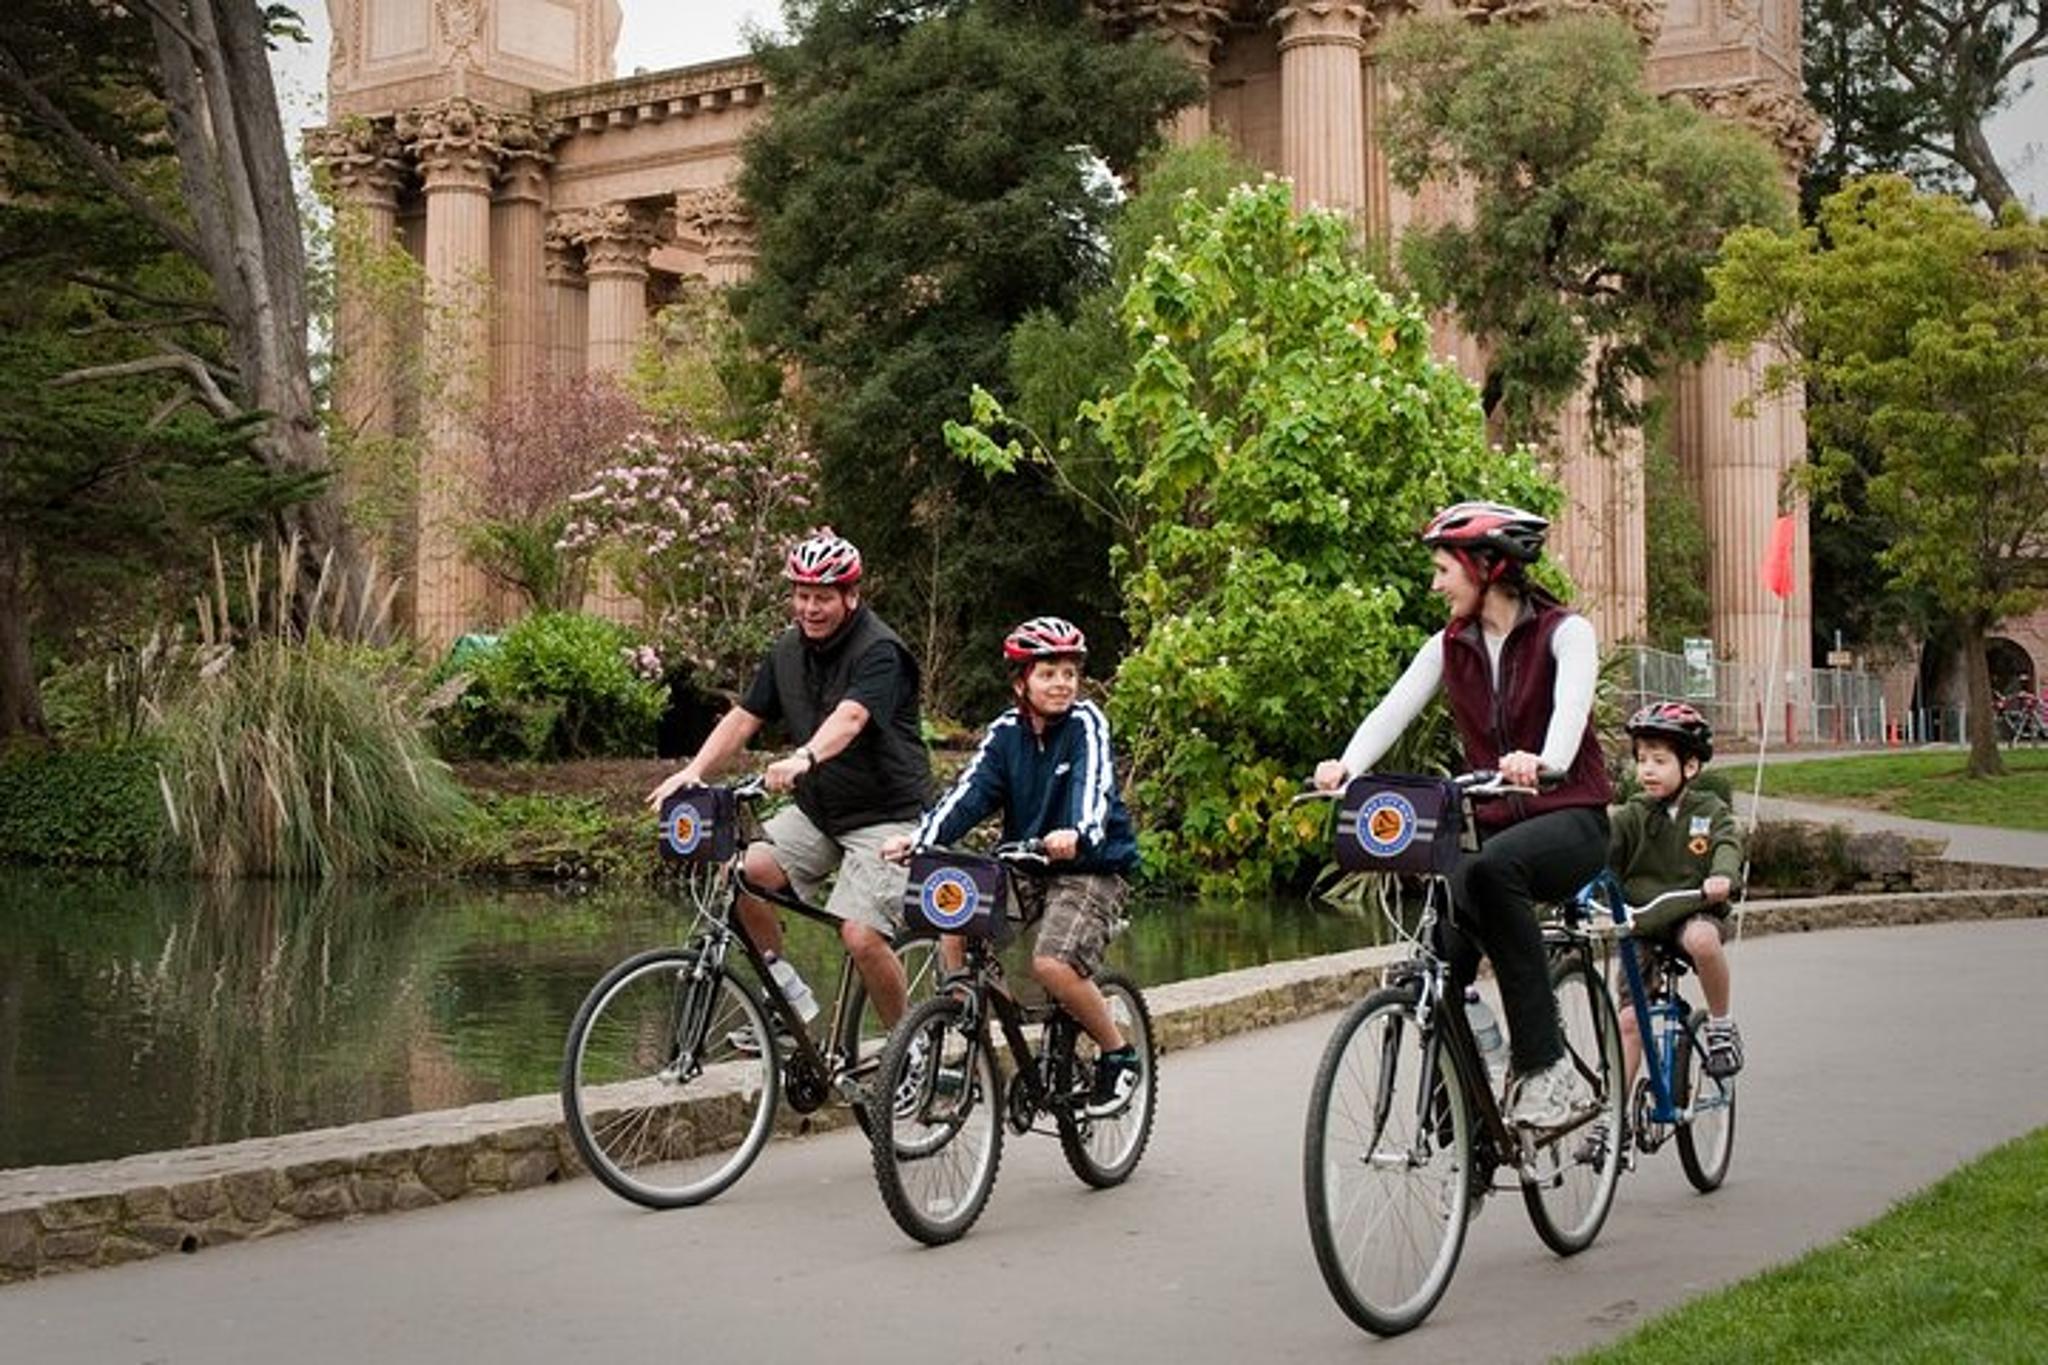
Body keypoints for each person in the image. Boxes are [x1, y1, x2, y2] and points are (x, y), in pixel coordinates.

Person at [1314, 500, 1613, 1129]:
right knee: (1436, 950)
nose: (1434, 583)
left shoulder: (1566, 633)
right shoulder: (1449, 645)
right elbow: (1394, 711)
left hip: (1571, 817)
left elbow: (1569, 717)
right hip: (1497, 822)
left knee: (1490, 871)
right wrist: (1346, 766)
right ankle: (1463, 1130)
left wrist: (1545, 760)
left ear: (1486, 567)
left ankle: (1545, 1068)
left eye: (1443, 569)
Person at [649, 530, 931, 1032]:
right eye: (802, 596)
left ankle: (906, 1048)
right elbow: (744, 718)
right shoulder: (787, 650)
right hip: (820, 811)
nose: (810, 608)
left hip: (884, 817)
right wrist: (692, 772)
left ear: (851, 596)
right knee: (738, 873)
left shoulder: (880, 651)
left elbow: (850, 719)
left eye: (822, 597)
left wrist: (804, 757)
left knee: (862, 936)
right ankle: (786, 995)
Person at [882, 617, 1142, 1112]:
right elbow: (969, 795)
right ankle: (960, 1024)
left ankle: (1119, 1056)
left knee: (1052, 963)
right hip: (1027, 861)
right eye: (1048, 673)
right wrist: (919, 840)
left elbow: (1095, 788)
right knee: (956, 919)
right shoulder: (1006, 733)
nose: (1062, 683)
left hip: (1089, 866)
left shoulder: (1086, 722)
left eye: (1069, 672)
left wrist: (1079, 834)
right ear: (1021, 682)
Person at [1608, 701, 1745, 1083]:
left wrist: (1722, 876)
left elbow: (1727, 845)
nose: (1647, 769)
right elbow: (1603, 859)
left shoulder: (1708, 810)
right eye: (1641, 759)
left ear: (1690, 767)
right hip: (1644, 923)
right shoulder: (1631, 816)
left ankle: (1721, 1027)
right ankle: (1612, 1120)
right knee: (1630, 1021)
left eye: (1659, 760)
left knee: (1703, 940)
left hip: (1693, 910)